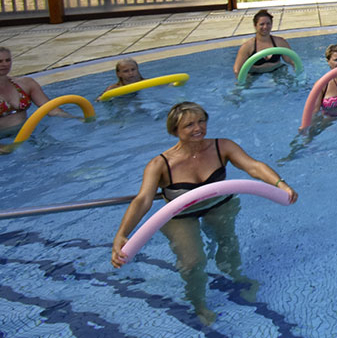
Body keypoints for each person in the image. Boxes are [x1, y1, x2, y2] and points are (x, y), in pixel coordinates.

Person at [110, 102, 297, 324]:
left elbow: (253, 166)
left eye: (201, 121)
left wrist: (280, 184)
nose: (198, 128)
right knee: (192, 262)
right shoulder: (160, 164)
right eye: (189, 124)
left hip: (219, 204)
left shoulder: (222, 146)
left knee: (228, 245)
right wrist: (123, 234)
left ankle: (238, 277)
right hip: (180, 214)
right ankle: (199, 304)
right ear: (174, 130)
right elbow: (143, 200)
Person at [0, 46, 52, 135]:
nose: (5, 64)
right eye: (0, 61)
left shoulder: (26, 84)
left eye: (7, 60)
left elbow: (51, 110)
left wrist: (77, 119)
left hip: (28, 133)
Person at [232, 10, 295, 77]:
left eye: (268, 23)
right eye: (262, 24)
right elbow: (237, 70)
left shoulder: (280, 42)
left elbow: (292, 61)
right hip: (255, 73)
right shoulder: (247, 46)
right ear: (255, 25)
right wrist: (244, 80)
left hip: (277, 71)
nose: (265, 27)